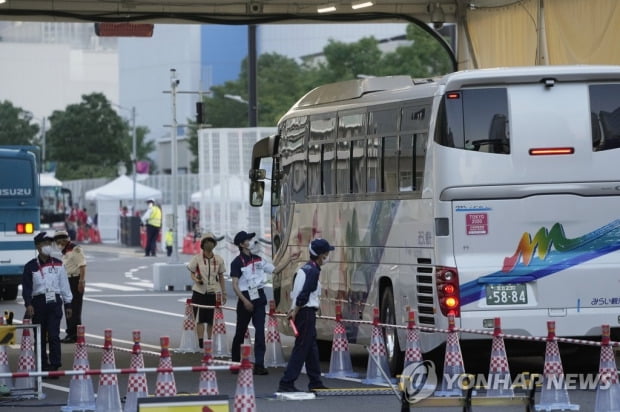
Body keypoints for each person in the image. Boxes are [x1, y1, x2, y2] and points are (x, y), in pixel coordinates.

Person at [278, 238, 333, 393]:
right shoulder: (314, 271)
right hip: (306, 312)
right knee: (302, 348)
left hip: (303, 311)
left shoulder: (304, 268)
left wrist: (293, 308)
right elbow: (305, 293)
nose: (328, 256)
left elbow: (296, 292)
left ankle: (315, 381)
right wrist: (295, 310)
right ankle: (287, 382)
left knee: (311, 349)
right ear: (321, 255)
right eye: (327, 253)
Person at [22, 232, 73, 374]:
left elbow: (64, 285)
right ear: (37, 246)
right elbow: (27, 288)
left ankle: (55, 364)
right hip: (38, 303)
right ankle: (42, 364)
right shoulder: (30, 266)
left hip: (55, 302)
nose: (48, 246)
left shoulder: (58, 264)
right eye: (45, 243)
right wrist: (28, 304)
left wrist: (68, 304)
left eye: (49, 243)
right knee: (40, 336)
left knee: (53, 334)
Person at [230, 231, 273, 375]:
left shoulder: (259, 259)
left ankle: (259, 364)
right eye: (248, 240)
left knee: (260, 331)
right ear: (242, 244)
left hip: (259, 296)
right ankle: (235, 362)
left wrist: (290, 260)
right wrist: (244, 300)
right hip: (245, 297)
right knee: (240, 332)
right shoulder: (236, 262)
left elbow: (275, 270)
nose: (251, 242)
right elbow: (235, 285)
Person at [186, 232, 227, 348]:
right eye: (207, 242)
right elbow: (192, 273)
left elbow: (221, 277)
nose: (209, 244)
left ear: (214, 244)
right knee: (199, 318)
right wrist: (197, 280)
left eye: (211, 242)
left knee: (210, 319)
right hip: (199, 292)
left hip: (213, 292)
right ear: (203, 244)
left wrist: (224, 293)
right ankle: (200, 341)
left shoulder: (219, 259)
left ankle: (209, 340)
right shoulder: (197, 258)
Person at [53, 230, 86, 344]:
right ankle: (70, 333)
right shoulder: (65, 251)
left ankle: (74, 334)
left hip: (75, 280)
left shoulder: (75, 249)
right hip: (67, 281)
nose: (57, 244)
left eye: (58, 242)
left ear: (63, 240)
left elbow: (82, 266)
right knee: (68, 307)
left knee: (75, 308)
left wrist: (81, 281)